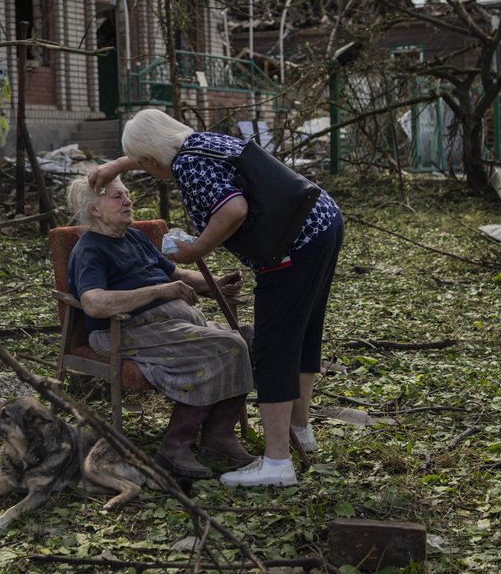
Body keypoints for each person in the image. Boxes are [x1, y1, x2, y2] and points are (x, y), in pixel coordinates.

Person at [87, 108, 342, 487]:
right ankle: (299, 431)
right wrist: (120, 163)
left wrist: (197, 248)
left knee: (272, 349)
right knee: (302, 337)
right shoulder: (201, 142)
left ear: (152, 159)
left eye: (144, 167)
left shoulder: (187, 167)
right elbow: (157, 153)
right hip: (321, 223)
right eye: (117, 195)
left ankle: (276, 462)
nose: (130, 195)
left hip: (290, 248)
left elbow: (234, 209)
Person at [65, 175, 256, 480]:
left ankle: (218, 438)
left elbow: (174, 272)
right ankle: (175, 447)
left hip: (171, 324)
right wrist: (158, 292)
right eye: (117, 197)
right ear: (95, 210)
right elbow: (94, 303)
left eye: (127, 194)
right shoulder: (90, 249)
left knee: (249, 336)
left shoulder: (135, 237)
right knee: (226, 345)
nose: (128, 201)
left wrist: (215, 284)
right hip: (124, 330)